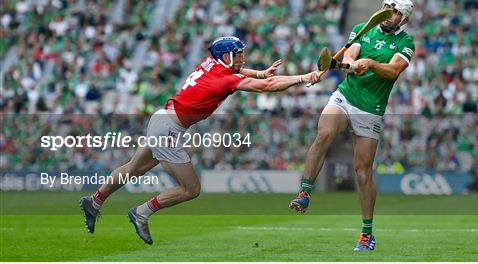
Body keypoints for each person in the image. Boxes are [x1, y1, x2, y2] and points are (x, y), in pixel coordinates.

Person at [80, 36, 320, 245]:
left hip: (162, 119)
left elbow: (240, 73)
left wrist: (258, 72)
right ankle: (141, 212)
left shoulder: (209, 64)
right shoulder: (224, 79)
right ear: (225, 56)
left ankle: (95, 201)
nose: (242, 59)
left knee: (132, 169)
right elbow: (268, 86)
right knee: (191, 189)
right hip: (169, 131)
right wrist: (303, 78)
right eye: (238, 55)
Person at [288, 0, 415, 251]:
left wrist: (370, 63)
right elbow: (350, 58)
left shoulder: (405, 42)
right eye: (387, 8)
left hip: (371, 108)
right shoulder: (361, 29)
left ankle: (367, 234)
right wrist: (346, 64)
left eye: (395, 11)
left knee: (362, 172)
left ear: (403, 18)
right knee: (323, 134)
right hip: (345, 97)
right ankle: (304, 193)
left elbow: (392, 71)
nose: (389, 13)